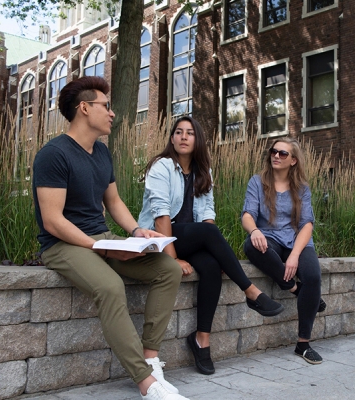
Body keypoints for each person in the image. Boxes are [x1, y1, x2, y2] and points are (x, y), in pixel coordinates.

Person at [33, 76, 187, 400]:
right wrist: (102, 248)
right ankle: (147, 385)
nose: (112, 113)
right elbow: (52, 220)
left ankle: (150, 358)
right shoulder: (54, 154)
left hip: (100, 239)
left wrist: (135, 232)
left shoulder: (101, 153)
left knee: (167, 269)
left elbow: (113, 202)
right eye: (106, 105)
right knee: (110, 286)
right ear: (85, 108)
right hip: (63, 245)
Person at [137, 116, 284, 375]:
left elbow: (207, 213)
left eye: (190, 133)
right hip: (158, 239)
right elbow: (161, 217)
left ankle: (201, 339)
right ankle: (250, 291)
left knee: (213, 265)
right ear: (171, 138)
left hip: (190, 239)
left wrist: (221, 253)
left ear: (198, 139)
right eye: (178, 132)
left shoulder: (203, 172)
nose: (183, 136)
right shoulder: (161, 167)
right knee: (207, 232)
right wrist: (172, 258)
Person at [241, 138, 326, 365]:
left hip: (297, 240)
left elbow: (307, 224)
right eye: (274, 151)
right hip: (268, 237)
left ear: (294, 161)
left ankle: (303, 344)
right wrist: (255, 230)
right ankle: (295, 289)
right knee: (251, 246)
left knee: (313, 276)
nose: (276, 156)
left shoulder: (302, 189)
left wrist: (296, 255)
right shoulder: (258, 182)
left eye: (283, 153)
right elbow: (247, 214)